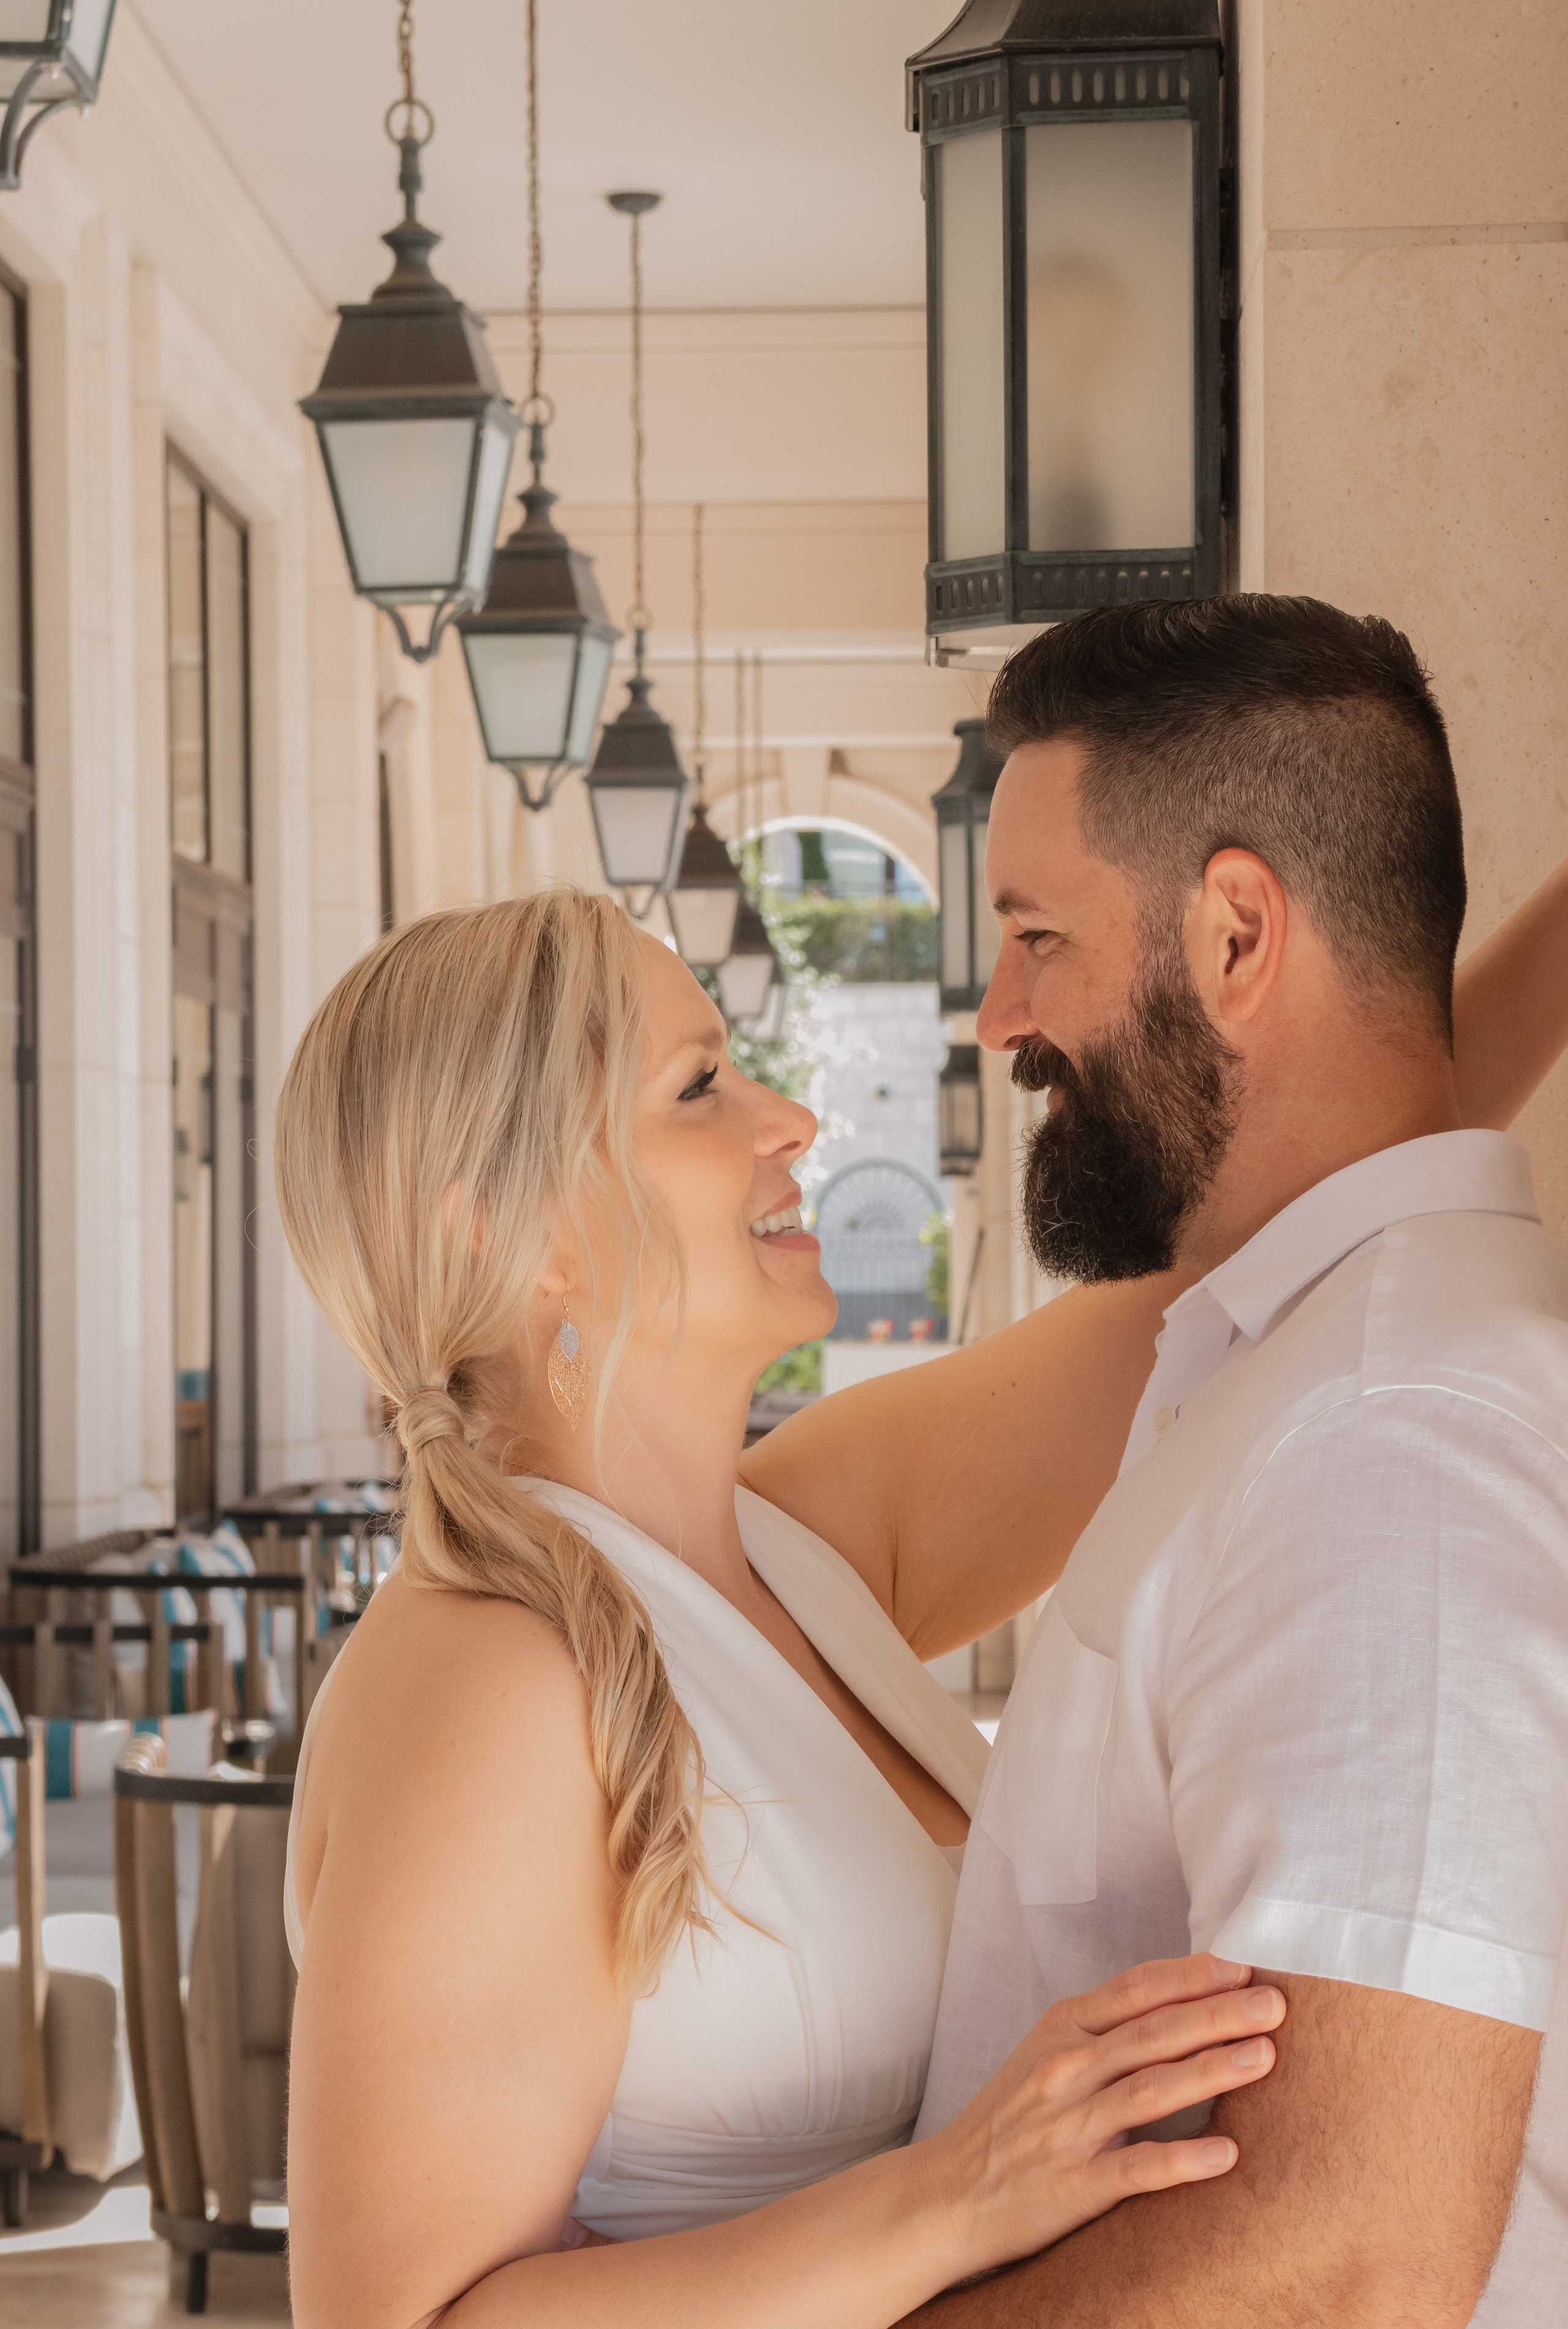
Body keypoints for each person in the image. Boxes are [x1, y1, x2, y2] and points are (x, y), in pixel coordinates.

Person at [275, 895, 1286, 2329]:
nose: (795, 1117)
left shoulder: (804, 1541)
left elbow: (1251, 1274)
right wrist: (947, 2197)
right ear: (519, 1235)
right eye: (699, 1086)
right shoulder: (490, 1675)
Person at [878, 595, 1568, 2328]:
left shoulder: (1385, 1436)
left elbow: (1352, 2252)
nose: (1000, 1013)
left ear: (1237, 934)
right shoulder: (1303, 1370)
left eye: (1040, 936)